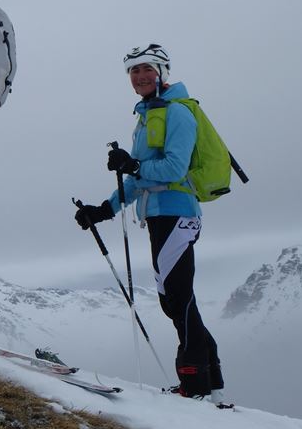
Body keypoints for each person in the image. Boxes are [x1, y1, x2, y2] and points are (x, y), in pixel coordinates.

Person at [74, 43, 225, 402]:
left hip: (178, 213)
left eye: (147, 69)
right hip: (158, 215)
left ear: (162, 72)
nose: (140, 76)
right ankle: (210, 383)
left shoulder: (178, 113)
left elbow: (173, 168)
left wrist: (134, 164)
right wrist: (104, 210)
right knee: (175, 298)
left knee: (177, 297)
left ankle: (195, 385)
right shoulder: (147, 116)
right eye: (134, 71)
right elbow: (139, 179)